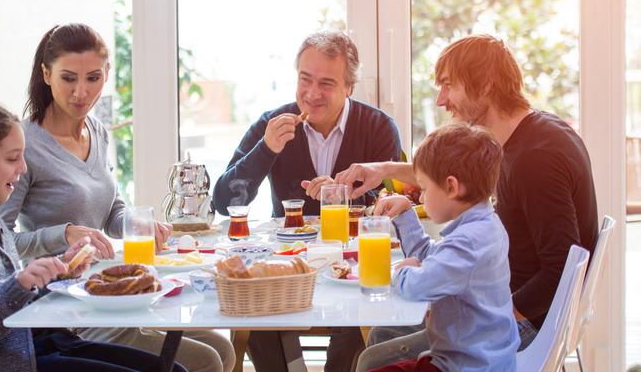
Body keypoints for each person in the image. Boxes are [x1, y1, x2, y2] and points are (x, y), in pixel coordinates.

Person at [339, 34, 598, 370]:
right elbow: (459, 180)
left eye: (448, 85)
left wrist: (492, 315)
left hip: (525, 320)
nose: (441, 100)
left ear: (486, 85)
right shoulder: (530, 135)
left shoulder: (537, 160)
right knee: (385, 332)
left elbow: (558, 270)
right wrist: (387, 169)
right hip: (513, 301)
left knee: (377, 354)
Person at [0, 23, 235, 372]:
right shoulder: (27, 145)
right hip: (69, 311)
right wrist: (61, 234)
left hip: (111, 291)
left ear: (107, 74)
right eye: (68, 78)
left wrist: (141, 225)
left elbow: (112, 212)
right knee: (207, 362)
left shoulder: (98, 131)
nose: (81, 92)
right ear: (46, 74)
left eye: (93, 78)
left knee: (222, 350)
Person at [0, 100, 186, 372]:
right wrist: (18, 285)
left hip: (39, 346)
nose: (23, 169)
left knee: (173, 369)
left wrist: (58, 271)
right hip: (15, 363)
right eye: (12, 159)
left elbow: (11, 301)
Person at [212, 31, 402, 372]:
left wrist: (340, 195)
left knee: (359, 316)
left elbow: (385, 206)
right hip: (287, 262)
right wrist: (266, 150)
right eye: (305, 79)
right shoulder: (272, 124)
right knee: (255, 308)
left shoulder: (378, 127)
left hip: (352, 264)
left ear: (349, 88)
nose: (312, 94)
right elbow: (225, 202)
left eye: (327, 83)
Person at [359, 123, 519, 372]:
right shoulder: (482, 225)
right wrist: (405, 214)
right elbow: (433, 257)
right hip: (475, 359)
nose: (421, 198)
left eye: (424, 189)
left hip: (467, 366)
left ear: (452, 187)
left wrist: (402, 270)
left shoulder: (469, 242)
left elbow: (416, 287)